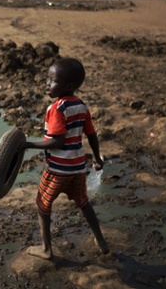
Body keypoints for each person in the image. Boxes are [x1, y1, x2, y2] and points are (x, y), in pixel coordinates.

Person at [19, 58, 109, 261]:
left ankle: (46, 249)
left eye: (52, 81)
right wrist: (96, 157)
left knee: (43, 204)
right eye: (48, 79)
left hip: (57, 170)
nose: (47, 84)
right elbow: (92, 135)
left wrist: (29, 145)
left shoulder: (56, 109)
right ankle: (101, 241)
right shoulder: (81, 106)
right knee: (84, 203)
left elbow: (57, 142)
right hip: (77, 168)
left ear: (68, 85)